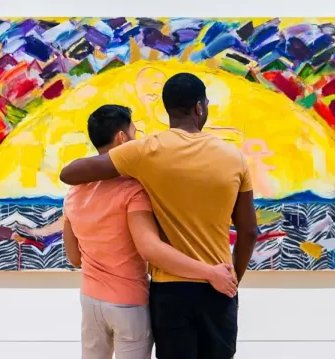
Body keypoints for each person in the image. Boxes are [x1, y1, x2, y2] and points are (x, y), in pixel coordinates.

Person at [60, 73, 258, 359]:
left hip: (170, 292)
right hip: (218, 285)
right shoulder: (234, 157)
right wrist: (231, 281)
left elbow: (70, 173)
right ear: (200, 107)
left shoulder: (144, 151)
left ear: (167, 108)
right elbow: (249, 231)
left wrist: (123, 158)